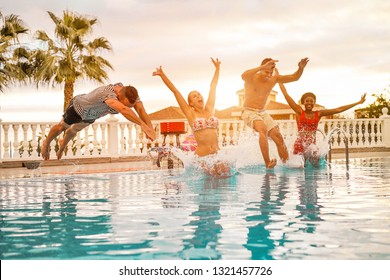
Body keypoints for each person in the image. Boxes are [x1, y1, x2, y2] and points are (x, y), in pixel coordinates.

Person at [152, 58, 231, 177]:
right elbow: (175, 92)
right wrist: (162, 75)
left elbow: (213, 87)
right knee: (210, 184)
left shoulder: (209, 108)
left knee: (226, 177)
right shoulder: (190, 113)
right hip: (203, 158)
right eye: (194, 96)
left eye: (199, 94)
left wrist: (217, 69)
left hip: (216, 155)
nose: (198, 96)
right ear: (191, 103)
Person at [41, 83, 156, 160]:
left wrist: (150, 129)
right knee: (62, 127)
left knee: (74, 130)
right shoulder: (107, 93)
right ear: (119, 95)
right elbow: (123, 109)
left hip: (92, 115)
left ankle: (62, 145)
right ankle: (46, 143)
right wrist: (142, 125)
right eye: (125, 103)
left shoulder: (131, 94)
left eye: (131, 106)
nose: (129, 108)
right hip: (79, 108)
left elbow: (141, 110)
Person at [241, 57, 309, 169]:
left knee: (278, 136)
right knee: (262, 129)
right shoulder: (251, 77)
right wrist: (264, 66)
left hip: (262, 112)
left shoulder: (274, 78)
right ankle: (268, 163)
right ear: (261, 69)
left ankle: (286, 163)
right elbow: (243, 75)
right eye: (266, 72)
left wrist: (300, 68)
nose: (268, 75)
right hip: (248, 111)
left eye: (270, 72)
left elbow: (294, 77)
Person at [278, 82, 366, 166]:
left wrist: (358, 102)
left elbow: (338, 109)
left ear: (314, 102)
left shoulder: (318, 114)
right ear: (303, 103)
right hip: (300, 144)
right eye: (307, 101)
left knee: (315, 161)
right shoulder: (299, 111)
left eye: (311, 101)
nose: (309, 103)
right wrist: (279, 81)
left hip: (311, 145)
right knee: (300, 166)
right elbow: (286, 95)